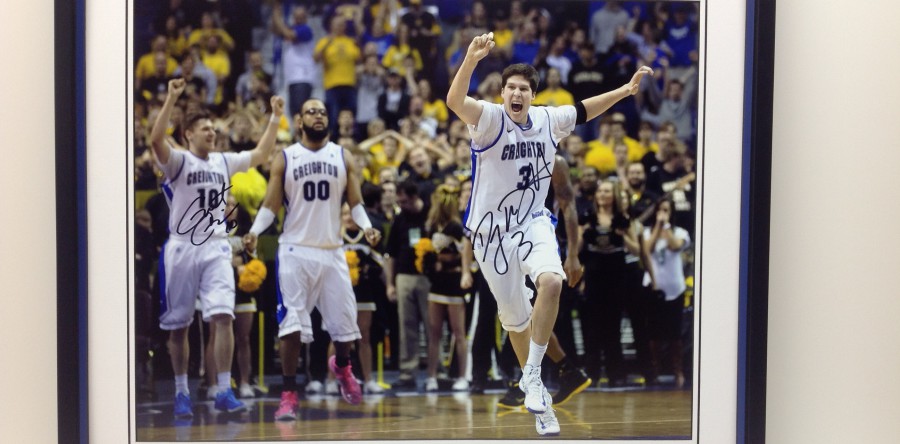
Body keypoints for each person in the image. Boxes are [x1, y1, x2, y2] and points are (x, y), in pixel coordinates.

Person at [445, 31, 652, 436]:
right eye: (511, 88)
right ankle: (540, 401)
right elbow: (455, 101)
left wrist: (625, 91)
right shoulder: (488, 119)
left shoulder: (548, 119)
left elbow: (584, 108)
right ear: (502, 93)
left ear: (533, 96)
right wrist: (470, 59)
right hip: (490, 233)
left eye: (524, 88)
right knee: (515, 323)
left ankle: (534, 377)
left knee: (552, 282)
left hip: (532, 221)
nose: (517, 94)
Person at [149, 79, 284, 418]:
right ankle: (182, 391)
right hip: (181, 247)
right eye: (204, 128)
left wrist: (274, 118)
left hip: (215, 246)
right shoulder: (178, 161)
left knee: (223, 316)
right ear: (188, 135)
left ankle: (223, 388)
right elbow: (154, 139)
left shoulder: (224, 161)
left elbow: (261, 154)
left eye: (212, 127)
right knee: (179, 325)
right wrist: (172, 98)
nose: (211, 132)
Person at [241, 99, 381, 421]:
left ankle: (343, 367)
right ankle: (289, 393)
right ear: (299, 120)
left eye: (322, 112)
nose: (318, 116)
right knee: (290, 327)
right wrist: (255, 231)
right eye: (311, 112)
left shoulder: (343, 156)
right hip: (294, 249)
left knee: (346, 330)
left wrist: (368, 227)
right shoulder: (286, 157)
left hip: (331, 250)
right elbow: (270, 204)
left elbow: (356, 202)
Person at [420, 185, 474, 392]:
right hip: (437, 284)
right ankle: (432, 376)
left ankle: (462, 376)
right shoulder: (432, 226)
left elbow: (465, 255)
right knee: (434, 332)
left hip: (454, 285)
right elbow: (429, 255)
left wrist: (450, 261)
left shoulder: (456, 227)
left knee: (458, 333)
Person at [383, 180, 430, 391]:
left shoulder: (429, 214)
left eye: (404, 201)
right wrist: (390, 284)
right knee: (406, 326)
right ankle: (407, 371)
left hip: (428, 278)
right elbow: (390, 254)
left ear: (413, 197)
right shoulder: (399, 219)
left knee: (432, 327)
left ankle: (434, 371)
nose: (401, 205)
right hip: (404, 276)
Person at [642, 198, 690, 389]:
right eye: (660, 210)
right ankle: (654, 370)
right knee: (653, 332)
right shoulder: (646, 232)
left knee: (675, 333)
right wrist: (657, 228)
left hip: (674, 289)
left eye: (666, 210)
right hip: (653, 287)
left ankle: (677, 371)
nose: (662, 213)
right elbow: (648, 249)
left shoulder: (680, 232)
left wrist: (666, 226)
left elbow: (675, 246)